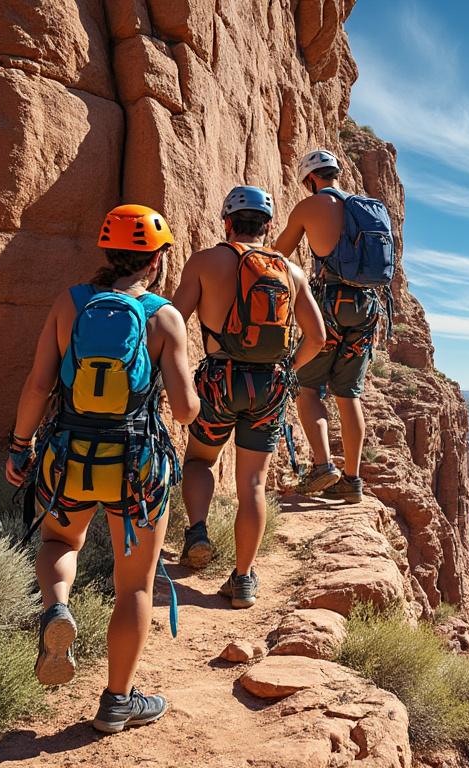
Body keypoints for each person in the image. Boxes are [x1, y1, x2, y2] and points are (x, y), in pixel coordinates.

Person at [6, 204, 199, 733]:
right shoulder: (164, 317)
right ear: (157, 261)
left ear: (108, 253)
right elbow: (185, 410)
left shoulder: (70, 304)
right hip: (135, 468)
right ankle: (117, 702)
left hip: (69, 457)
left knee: (59, 544)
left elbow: (38, 385)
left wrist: (19, 447)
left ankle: (56, 608)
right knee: (134, 585)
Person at [172, 185, 325, 608]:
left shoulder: (206, 261)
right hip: (269, 387)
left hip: (219, 382)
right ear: (269, 226)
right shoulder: (291, 273)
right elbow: (318, 337)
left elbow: (174, 320)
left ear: (227, 222)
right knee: (253, 483)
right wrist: (289, 369)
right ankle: (243, 579)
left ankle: (197, 532)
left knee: (201, 459)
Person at [275, 149, 395, 504]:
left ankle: (323, 464)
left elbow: (278, 254)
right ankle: (353, 480)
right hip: (367, 308)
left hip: (330, 304)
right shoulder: (366, 209)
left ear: (310, 179)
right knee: (349, 394)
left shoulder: (309, 207)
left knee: (307, 386)